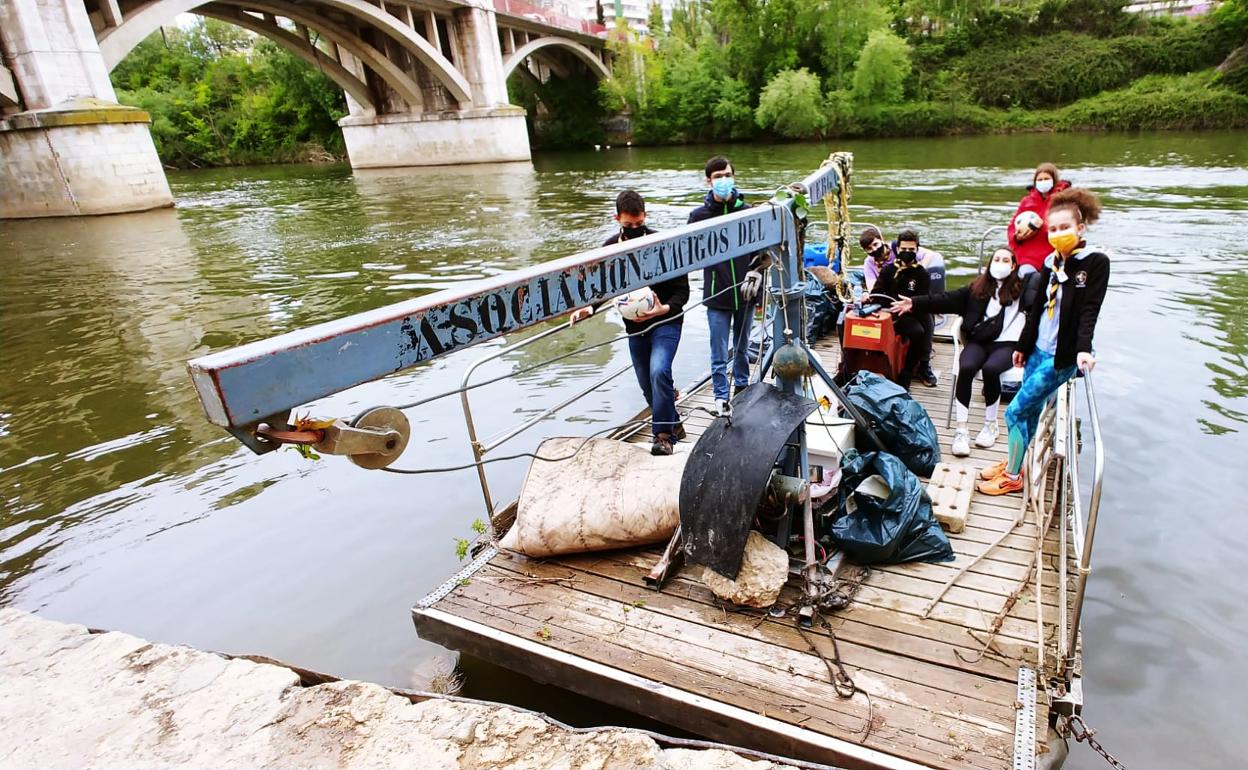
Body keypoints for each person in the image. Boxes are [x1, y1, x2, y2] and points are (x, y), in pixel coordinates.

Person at [979, 188, 1109, 495]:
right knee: (1031, 413)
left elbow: (1090, 310)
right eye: (1052, 229)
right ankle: (1017, 462)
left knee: (1013, 412)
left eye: (1064, 227)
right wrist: (1023, 347)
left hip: (1059, 357)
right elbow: (1036, 308)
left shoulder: (1094, 263)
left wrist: (1083, 350)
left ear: (1080, 228)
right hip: (1037, 349)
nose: (1058, 233)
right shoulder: (1050, 261)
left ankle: (1013, 476)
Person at [571, 190, 690, 456]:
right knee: (648, 384)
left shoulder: (664, 243)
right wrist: (588, 308)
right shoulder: (610, 248)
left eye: (639, 224)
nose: (635, 229)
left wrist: (664, 309)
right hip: (635, 327)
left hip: (667, 321)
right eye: (628, 226)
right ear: (617, 219)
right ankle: (674, 421)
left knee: (659, 371)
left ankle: (663, 437)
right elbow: (601, 288)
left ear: (645, 216)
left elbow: (683, 291)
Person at [892, 246, 1039, 457]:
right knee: (967, 366)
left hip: (1007, 344)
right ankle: (962, 429)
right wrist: (914, 303)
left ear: (1014, 265)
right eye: (996, 259)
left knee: (990, 369)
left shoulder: (1023, 288)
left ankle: (991, 424)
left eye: (1006, 260)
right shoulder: (977, 289)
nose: (1000, 263)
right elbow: (945, 299)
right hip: (980, 340)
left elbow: (1040, 295)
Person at [688, 155, 764, 414]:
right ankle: (721, 396)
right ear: (708, 181)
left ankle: (741, 387)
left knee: (742, 347)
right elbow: (689, 253)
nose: (723, 180)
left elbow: (761, 255)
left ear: (734, 177)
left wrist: (760, 292)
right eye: (718, 177)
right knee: (718, 350)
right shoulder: (698, 216)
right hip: (716, 294)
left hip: (746, 292)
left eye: (727, 175)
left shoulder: (748, 211)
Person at [872, 235, 933, 390]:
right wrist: (871, 298)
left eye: (911, 249)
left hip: (911, 312)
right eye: (904, 249)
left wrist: (910, 306)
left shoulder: (921, 274)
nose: (907, 252)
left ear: (917, 250)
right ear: (897, 249)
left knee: (922, 326)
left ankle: (911, 370)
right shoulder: (888, 270)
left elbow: (924, 299)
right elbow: (877, 292)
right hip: (890, 312)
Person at [1007, 162, 1072, 275]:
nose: (1043, 182)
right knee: (1026, 274)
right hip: (1027, 256)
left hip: (1053, 253)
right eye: (1040, 179)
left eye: (1046, 179)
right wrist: (1017, 236)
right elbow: (1013, 226)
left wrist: (1040, 228)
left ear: (1054, 180)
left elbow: (1068, 225)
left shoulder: (1063, 200)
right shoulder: (1026, 201)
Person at [862, 226, 945, 294]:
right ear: (898, 250)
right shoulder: (884, 269)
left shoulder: (922, 274)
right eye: (869, 248)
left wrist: (918, 270)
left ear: (881, 240)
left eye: (876, 244)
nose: (874, 249)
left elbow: (929, 254)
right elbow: (873, 289)